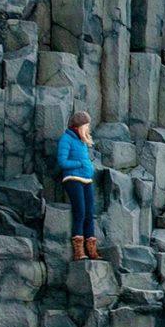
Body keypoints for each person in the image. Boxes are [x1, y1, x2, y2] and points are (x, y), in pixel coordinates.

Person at [56, 111, 99, 261]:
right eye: (86, 125)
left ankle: (92, 250)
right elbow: (62, 162)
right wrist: (80, 164)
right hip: (73, 178)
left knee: (90, 213)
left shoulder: (82, 141)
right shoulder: (66, 139)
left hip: (86, 179)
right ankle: (79, 251)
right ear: (79, 126)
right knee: (80, 212)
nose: (88, 128)